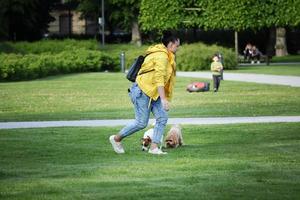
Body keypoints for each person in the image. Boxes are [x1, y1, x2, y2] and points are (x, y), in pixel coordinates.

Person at [109, 32, 180, 155]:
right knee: (141, 122)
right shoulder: (161, 56)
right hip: (143, 90)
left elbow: (167, 80)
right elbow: (159, 78)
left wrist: (165, 97)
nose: (178, 48)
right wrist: (163, 99)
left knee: (162, 118)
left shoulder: (168, 55)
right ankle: (116, 139)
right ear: (170, 44)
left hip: (154, 92)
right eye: (177, 45)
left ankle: (154, 148)